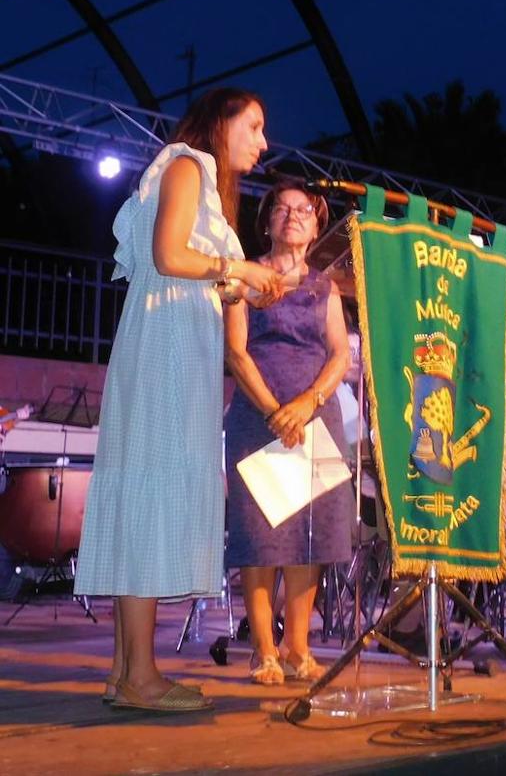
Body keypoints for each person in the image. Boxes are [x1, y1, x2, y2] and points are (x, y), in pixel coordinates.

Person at [75, 89, 283, 712]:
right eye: (254, 125)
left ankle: (125, 672)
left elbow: (184, 264)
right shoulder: (189, 163)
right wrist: (240, 271)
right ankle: (140, 676)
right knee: (151, 493)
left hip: (169, 344)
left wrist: (239, 284)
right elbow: (169, 254)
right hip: (165, 350)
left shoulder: (193, 177)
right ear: (222, 122)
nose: (263, 142)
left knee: (143, 491)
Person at [223, 181, 353, 685]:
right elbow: (236, 351)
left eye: (303, 210)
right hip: (259, 417)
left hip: (315, 417)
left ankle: (298, 646)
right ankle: (263, 650)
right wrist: (277, 410)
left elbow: (339, 354)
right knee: (261, 538)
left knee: (308, 537)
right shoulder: (244, 277)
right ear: (267, 221)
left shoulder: (326, 287)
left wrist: (306, 404)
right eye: (281, 208)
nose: (292, 216)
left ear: (318, 226)